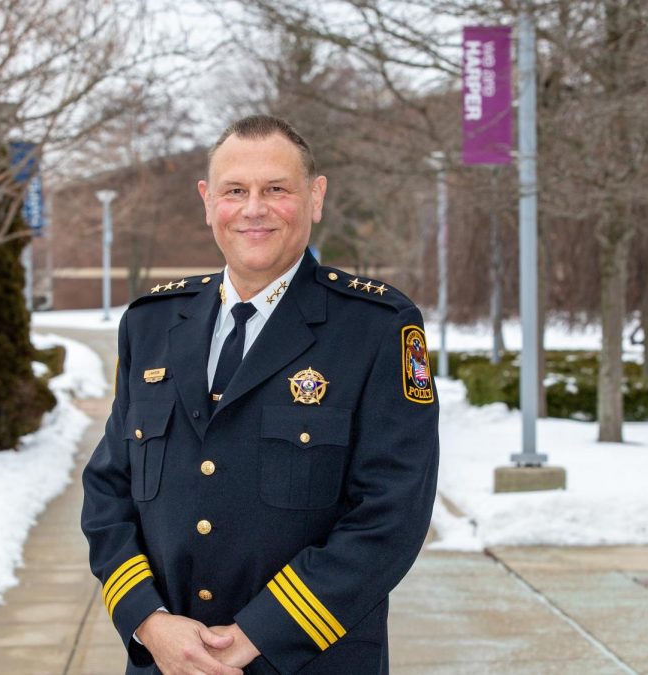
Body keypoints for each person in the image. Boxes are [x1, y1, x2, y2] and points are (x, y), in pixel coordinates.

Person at [81, 114, 439, 675]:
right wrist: (149, 622)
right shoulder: (151, 324)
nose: (254, 209)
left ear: (315, 197)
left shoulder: (376, 328)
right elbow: (109, 489)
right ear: (207, 201)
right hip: (167, 663)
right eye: (235, 191)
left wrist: (260, 634)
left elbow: (390, 515)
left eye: (276, 189)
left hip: (307, 660)